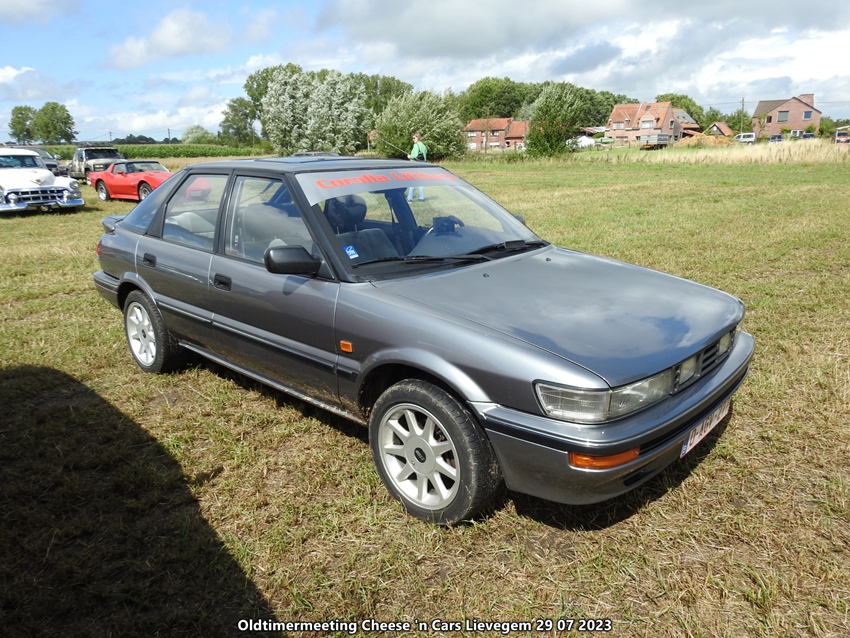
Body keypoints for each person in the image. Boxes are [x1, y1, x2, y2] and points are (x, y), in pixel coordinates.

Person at [406, 133, 427, 202]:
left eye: (414, 138)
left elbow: (414, 156)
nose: (413, 139)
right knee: (421, 182)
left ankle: (409, 198)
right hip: (422, 165)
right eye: (412, 138)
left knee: (412, 182)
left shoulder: (416, 145)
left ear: (418, 138)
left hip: (415, 166)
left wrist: (409, 156)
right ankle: (422, 197)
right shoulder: (423, 145)